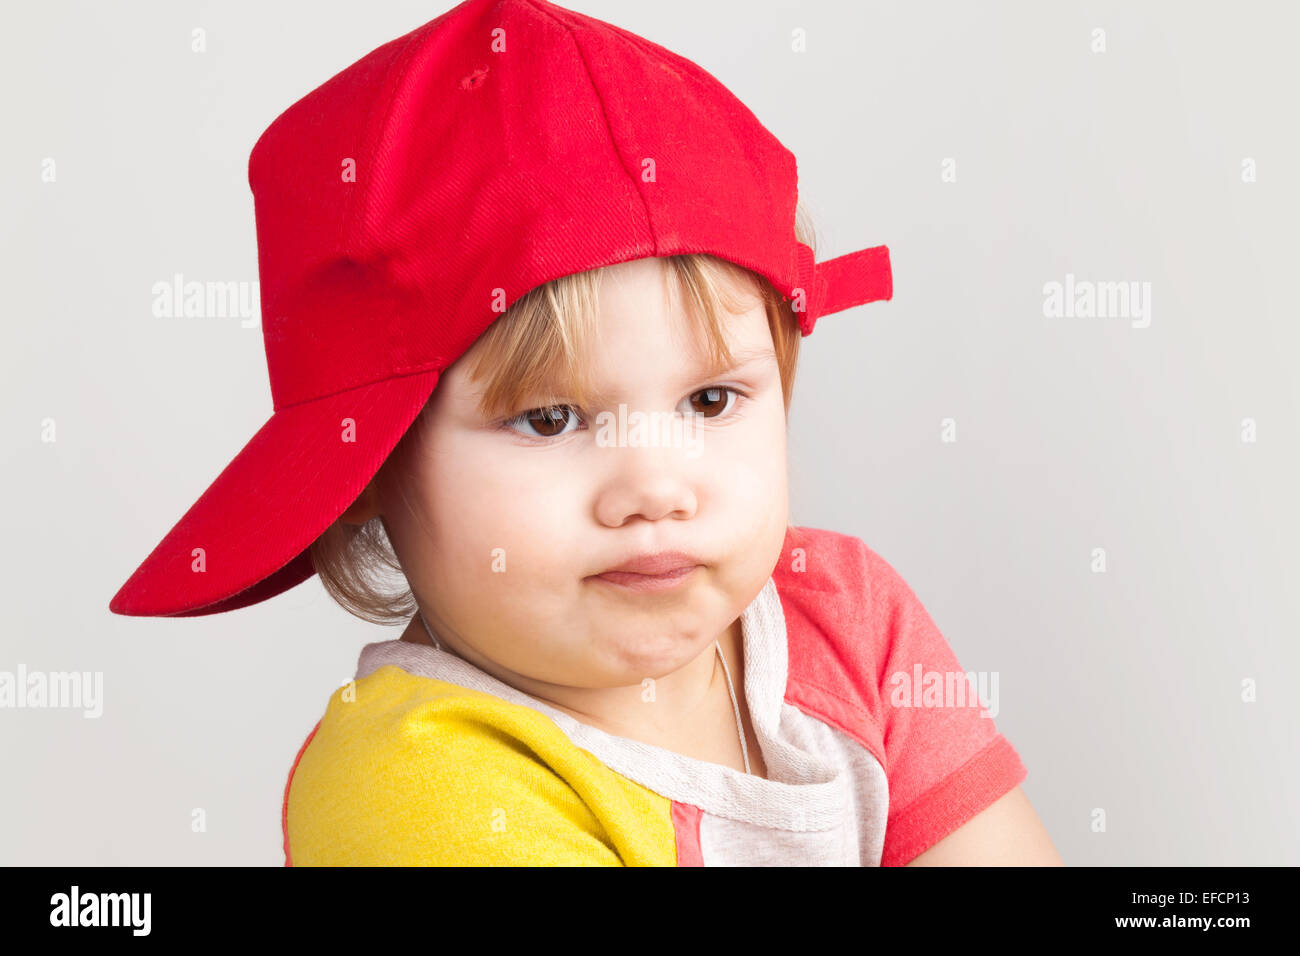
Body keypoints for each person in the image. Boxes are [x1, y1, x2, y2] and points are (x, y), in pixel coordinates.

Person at [111, 0, 1061, 866]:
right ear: (369, 462)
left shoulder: (847, 616)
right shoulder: (417, 781)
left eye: (710, 402)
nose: (657, 486)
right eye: (551, 417)